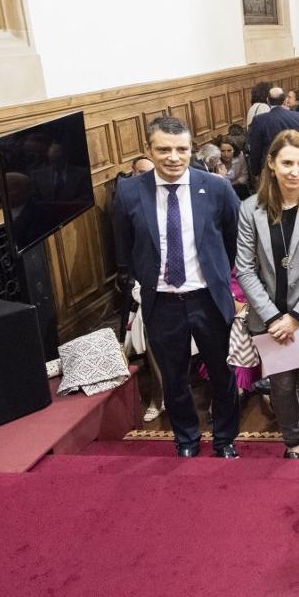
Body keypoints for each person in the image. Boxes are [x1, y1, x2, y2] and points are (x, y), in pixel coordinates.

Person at [111, 116, 242, 458]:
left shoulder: (216, 188)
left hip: (209, 299)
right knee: (173, 377)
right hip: (163, 303)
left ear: (191, 150)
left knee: (221, 372)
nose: (173, 157)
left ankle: (225, 438)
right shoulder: (128, 192)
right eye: (164, 149)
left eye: (181, 149)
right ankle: (186, 438)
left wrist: (216, 276)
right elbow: (124, 249)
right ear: (149, 150)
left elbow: (233, 241)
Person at [235, 130, 299, 459]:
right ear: (271, 163)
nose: (295, 171)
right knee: (279, 386)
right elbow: (245, 269)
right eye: (288, 163)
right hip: (269, 318)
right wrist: (273, 317)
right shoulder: (250, 209)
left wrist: (295, 318)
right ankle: (292, 443)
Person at [248, 87, 299, 178]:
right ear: (284, 99)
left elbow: (256, 147)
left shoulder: (260, 120)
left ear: (268, 100)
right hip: (293, 165)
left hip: (270, 169)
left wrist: (255, 171)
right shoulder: (297, 116)